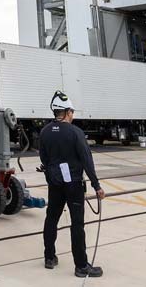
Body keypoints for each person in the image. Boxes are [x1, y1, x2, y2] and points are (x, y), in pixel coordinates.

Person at [40, 90, 104, 278]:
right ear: (67, 112)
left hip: (54, 183)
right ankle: (81, 266)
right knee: (77, 224)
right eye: (72, 112)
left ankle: (49, 257)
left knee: (51, 218)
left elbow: (44, 158)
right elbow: (86, 160)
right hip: (74, 185)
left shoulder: (44, 132)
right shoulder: (75, 132)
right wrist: (96, 185)